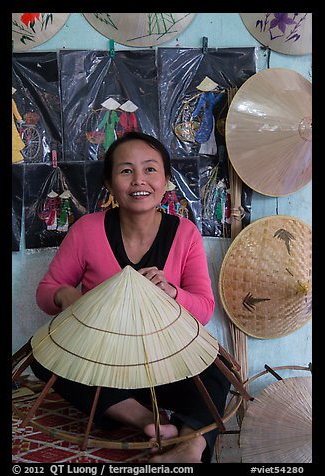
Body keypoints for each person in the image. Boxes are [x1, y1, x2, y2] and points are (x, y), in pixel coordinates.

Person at [31, 131, 231, 463]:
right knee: (44, 358)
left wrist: (170, 291)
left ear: (167, 180)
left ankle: (190, 447)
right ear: (109, 183)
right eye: (126, 171)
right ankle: (147, 421)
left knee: (219, 369)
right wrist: (65, 296)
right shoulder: (87, 230)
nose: (139, 180)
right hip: (104, 363)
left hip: (164, 362)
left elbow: (205, 310)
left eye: (150, 169)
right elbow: (46, 292)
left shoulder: (184, 232)